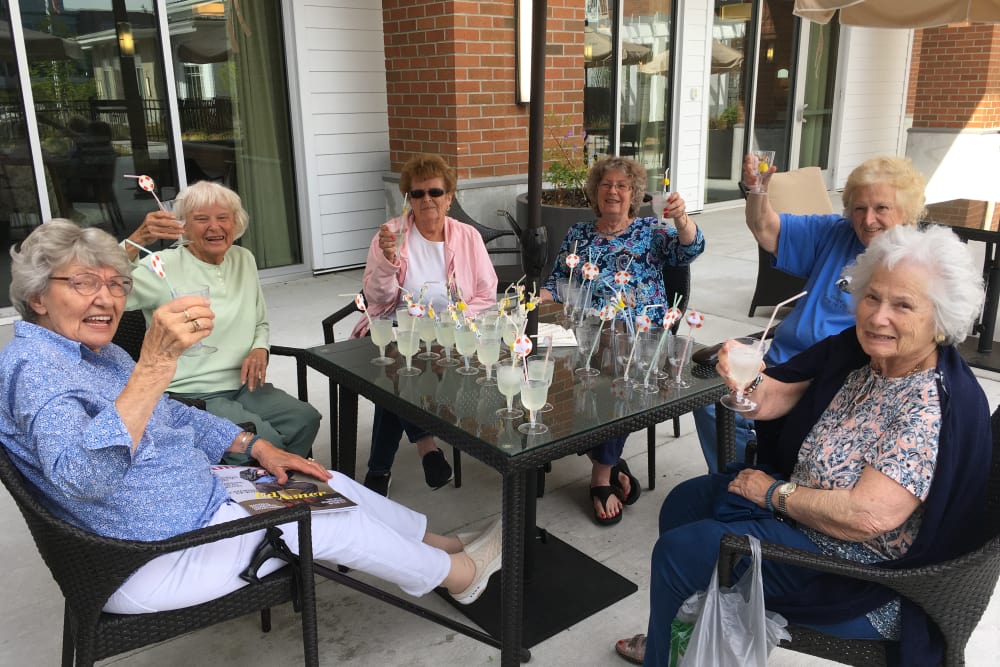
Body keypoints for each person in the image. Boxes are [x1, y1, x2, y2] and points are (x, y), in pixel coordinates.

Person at [0, 220, 503, 613]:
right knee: (329, 521)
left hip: (196, 504)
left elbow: (172, 413)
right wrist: (154, 365)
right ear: (38, 296)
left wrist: (255, 447)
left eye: (115, 284)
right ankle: (460, 576)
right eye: (85, 283)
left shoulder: (95, 353)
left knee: (322, 478)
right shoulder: (36, 369)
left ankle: (438, 545)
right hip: (147, 556)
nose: (106, 299)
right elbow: (84, 477)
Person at [614, 224, 991, 667]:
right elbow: (783, 393)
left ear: (941, 321)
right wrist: (748, 383)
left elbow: (866, 516)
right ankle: (685, 639)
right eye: (872, 296)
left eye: (903, 305)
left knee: (681, 554)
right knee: (682, 504)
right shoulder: (862, 352)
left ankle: (666, 655)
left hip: (862, 576)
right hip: (806, 524)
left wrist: (772, 494)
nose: (877, 316)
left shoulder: (930, 406)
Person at [694, 155, 928, 473]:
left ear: (906, 211)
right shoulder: (836, 232)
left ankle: (747, 483)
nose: (868, 219)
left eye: (881, 208)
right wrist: (758, 191)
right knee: (709, 399)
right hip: (778, 360)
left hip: (826, 379)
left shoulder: (912, 267)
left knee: (731, 408)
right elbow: (765, 228)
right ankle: (735, 478)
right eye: (859, 208)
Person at [540, 156, 705, 525]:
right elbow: (555, 282)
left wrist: (681, 218)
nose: (613, 191)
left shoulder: (651, 231)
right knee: (548, 380)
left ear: (633, 195)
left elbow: (689, 249)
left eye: (622, 186)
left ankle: (601, 475)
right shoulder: (578, 235)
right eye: (605, 185)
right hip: (583, 332)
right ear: (595, 193)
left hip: (638, 334)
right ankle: (610, 458)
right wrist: (540, 301)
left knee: (619, 378)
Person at [123, 181, 321, 465]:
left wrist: (259, 349)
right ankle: (262, 493)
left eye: (223, 218)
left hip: (243, 384)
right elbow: (107, 289)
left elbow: (260, 321)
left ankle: (276, 488)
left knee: (304, 419)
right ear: (183, 227)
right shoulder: (161, 266)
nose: (214, 227)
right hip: (190, 391)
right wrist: (133, 243)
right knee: (267, 442)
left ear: (235, 223)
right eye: (201, 219)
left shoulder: (244, 259)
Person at [353, 154, 498, 496]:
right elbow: (376, 296)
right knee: (400, 367)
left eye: (435, 191)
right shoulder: (390, 235)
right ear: (408, 199)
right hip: (396, 325)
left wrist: (452, 323)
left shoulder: (467, 237)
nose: (427, 199)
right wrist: (389, 263)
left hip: (453, 331)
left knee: (399, 376)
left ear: (450, 196)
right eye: (418, 194)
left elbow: (485, 293)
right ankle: (427, 448)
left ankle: (380, 470)